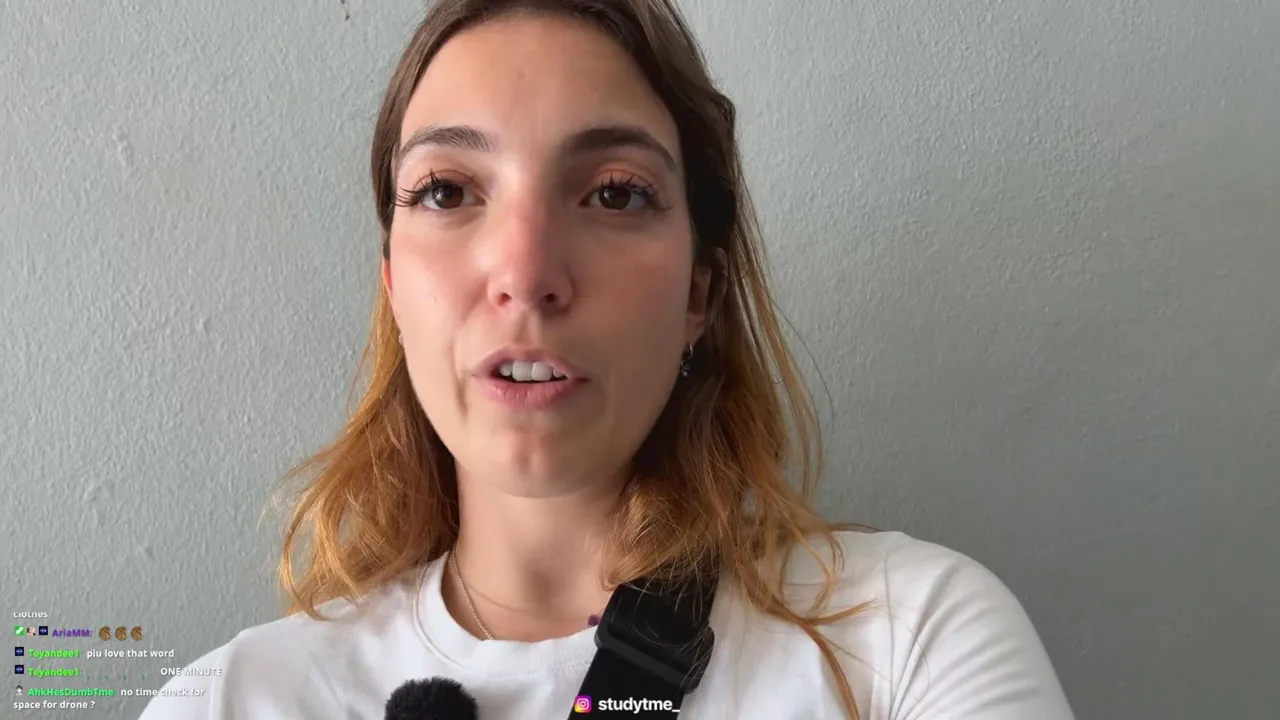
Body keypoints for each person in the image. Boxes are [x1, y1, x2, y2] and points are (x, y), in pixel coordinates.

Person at [140, 1, 1076, 718]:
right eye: (448, 191)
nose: (526, 273)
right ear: (393, 287)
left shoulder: (906, 640)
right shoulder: (228, 702)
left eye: (616, 194)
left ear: (699, 296)